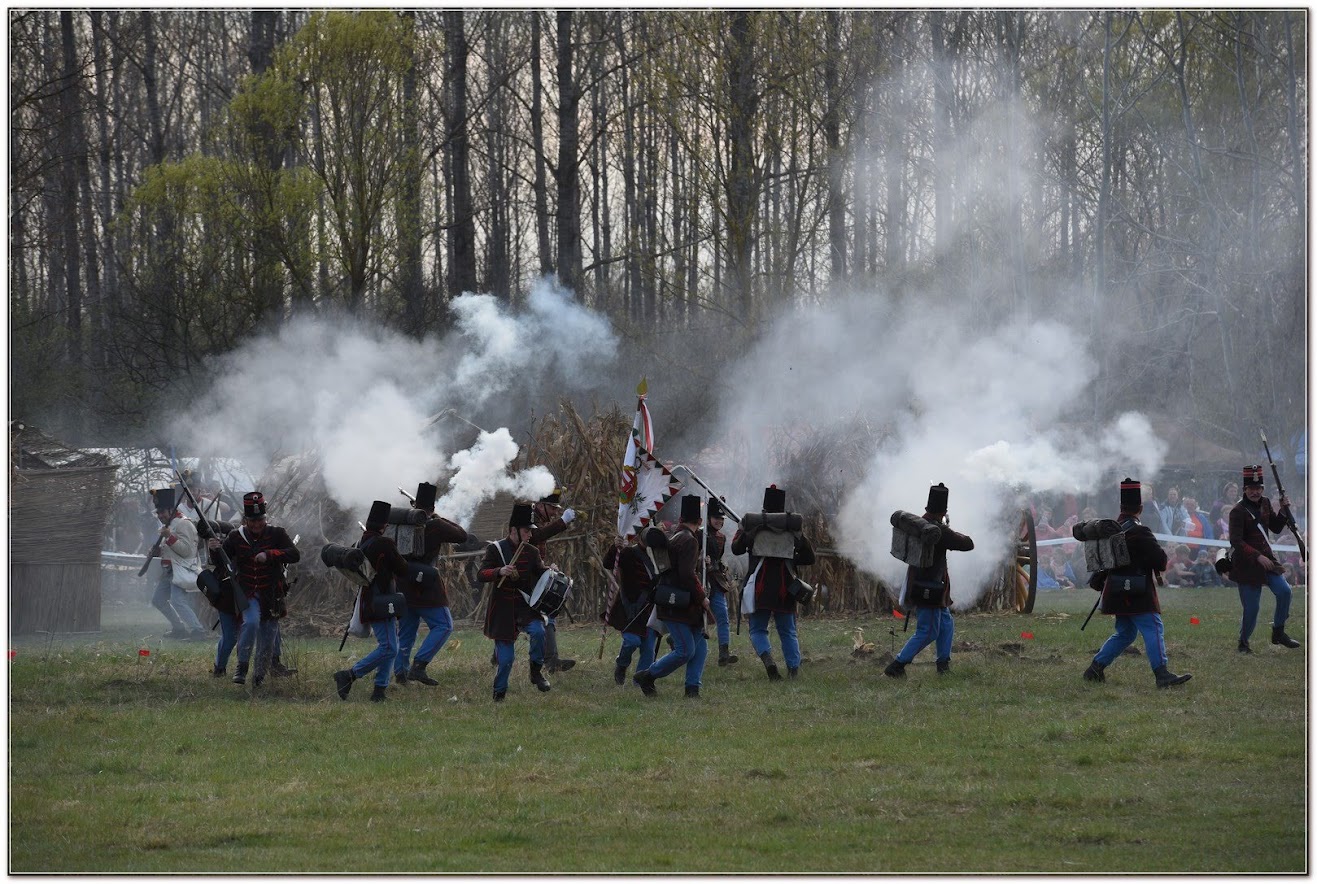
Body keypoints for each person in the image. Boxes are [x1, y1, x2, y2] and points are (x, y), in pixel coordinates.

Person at [1082, 478, 1191, 688]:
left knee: (1126, 633)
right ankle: (1162, 674)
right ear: (1140, 508)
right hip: (1137, 591)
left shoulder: (1113, 527)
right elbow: (1160, 560)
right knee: (1153, 628)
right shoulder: (1140, 531)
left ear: (1122, 507)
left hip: (1115, 590)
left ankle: (1095, 668)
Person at [207, 491, 300, 687]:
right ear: (246, 520)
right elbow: (221, 562)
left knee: (268, 636)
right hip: (248, 592)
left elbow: (294, 554)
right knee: (250, 623)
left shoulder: (277, 533)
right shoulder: (235, 536)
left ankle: (259, 677)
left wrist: (270, 554)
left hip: (272, 594)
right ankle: (242, 666)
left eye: (260, 520)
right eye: (252, 520)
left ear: (264, 518)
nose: (256, 524)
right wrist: (214, 548)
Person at [884, 483, 974, 678]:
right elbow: (968, 544)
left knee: (946, 624)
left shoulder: (918, 524)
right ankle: (897, 665)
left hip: (925, 584)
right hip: (930, 588)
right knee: (927, 632)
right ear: (944, 511)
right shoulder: (937, 530)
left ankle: (943, 664)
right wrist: (949, 529)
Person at [731, 484, 816, 680]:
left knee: (757, 629)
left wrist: (742, 531)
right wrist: (792, 558)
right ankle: (793, 670)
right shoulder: (792, 530)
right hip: (785, 588)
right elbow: (809, 557)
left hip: (759, 587)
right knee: (788, 631)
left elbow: (736, 549)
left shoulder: (754, 527)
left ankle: (768, 660)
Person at [634, 495, 712, 698]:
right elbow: (687, 574)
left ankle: (692, 688)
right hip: (678, 602)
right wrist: (702, 596)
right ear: (700, 522)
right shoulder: (689, 541)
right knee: (685, 650)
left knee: (700, 646)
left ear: (680, 519)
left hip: (680, 601)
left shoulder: (675, 537)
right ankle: (648, 675)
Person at [393, 481, 468, 687]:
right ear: (432, 508)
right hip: (427, 587)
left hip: (403, 584)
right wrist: (438, 518)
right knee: (444, 626)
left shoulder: (404, 522)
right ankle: (419, 666)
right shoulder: (435, 524)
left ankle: (400, 672)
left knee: (406, 632)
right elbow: (462, 535)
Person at [334, 501, 409, 702]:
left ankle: (379, 690)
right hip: (382, 600)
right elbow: (403, 569)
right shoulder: (384, 543)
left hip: (374, 599)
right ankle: (349, 675)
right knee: (389, 648)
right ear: (385, 526)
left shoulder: (362, 542)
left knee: (390, 645)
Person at [478, 502, 551, 701]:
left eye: (530, 531)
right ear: (513, 530)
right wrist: (498, 571)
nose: (530, 535)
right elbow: (481, 574)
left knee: (538, 631)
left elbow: (540, 573)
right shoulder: (496, 550)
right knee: (507, 659)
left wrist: (550, 572)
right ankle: (499, 694)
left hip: (525, 606)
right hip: (502, 609)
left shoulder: (532, 552)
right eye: (527, 531)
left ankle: (535, 672)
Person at [1228, 465, 1300, 653]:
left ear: (1262, 489)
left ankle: (1278, 632)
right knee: (1252, 609)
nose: (1255, 492)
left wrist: (1284, 511)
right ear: (1245, 490)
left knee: (1285, 591)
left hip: (1267, 559)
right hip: (1247, 564)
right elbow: (1235, 540)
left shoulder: (1266, 502)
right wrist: (1257, 556)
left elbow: (1275, 527)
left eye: (1258, 488)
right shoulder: (1237, 510)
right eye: (1251, 489)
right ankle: (1243, 643)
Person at [601, 527, 660, 686]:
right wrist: (615, 546)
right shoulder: (628, 553)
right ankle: (622, 664)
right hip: (630, 607)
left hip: (649, 608)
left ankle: (639, 683)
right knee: (632, 641)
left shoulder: (658, 555)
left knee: (648, 649)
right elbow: (607, 563)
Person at [147, 487, 207, 640]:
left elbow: (187, 551)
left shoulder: (183, 524)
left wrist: (169, 537)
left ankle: (198, 630)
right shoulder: (168, 525)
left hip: (181, 569)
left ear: (170, 510)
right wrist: (157, 552)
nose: (160, 516)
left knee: (177, 601)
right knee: (158, 600)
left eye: (163, 512)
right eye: (158, 512)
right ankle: (179, 628)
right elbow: (169, 551)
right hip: (169, 570)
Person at [529, 489, 579, 673]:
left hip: (535, 573)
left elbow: (535, 550)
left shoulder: (538, 519)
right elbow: (536, 537)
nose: (554, 513)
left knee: (546, 617)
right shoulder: (529, 519)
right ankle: (550, 661)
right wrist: (562, 522)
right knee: (519, 621)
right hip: (522, 577)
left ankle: (551, 661)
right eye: (552, 508)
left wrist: (545, 566)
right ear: (541, 505)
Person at [702, 496, 739, 666]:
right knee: (694, 617)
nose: (719, 521)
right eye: (716, 518)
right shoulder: (699, 534)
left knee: (723, 616)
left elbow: (719, 558)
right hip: (700, 580)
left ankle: (724, 653)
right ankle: (675, 640)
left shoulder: (722, 538)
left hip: (716, 580)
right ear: (709, 518)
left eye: (721, 519)